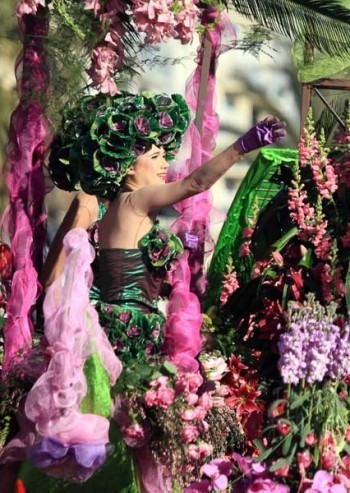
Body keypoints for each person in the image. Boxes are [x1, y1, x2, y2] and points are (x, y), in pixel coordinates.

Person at [7, 91, 286, 493]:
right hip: (129, 331)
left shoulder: (112, 211)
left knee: (118, 423)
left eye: (163, 154)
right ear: (126, 167)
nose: (164, 163)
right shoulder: (136, 200)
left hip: (112, 323)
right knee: (127, 429)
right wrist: (242, 146)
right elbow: (196, 182)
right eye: (154, 156)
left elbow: (97, 270)